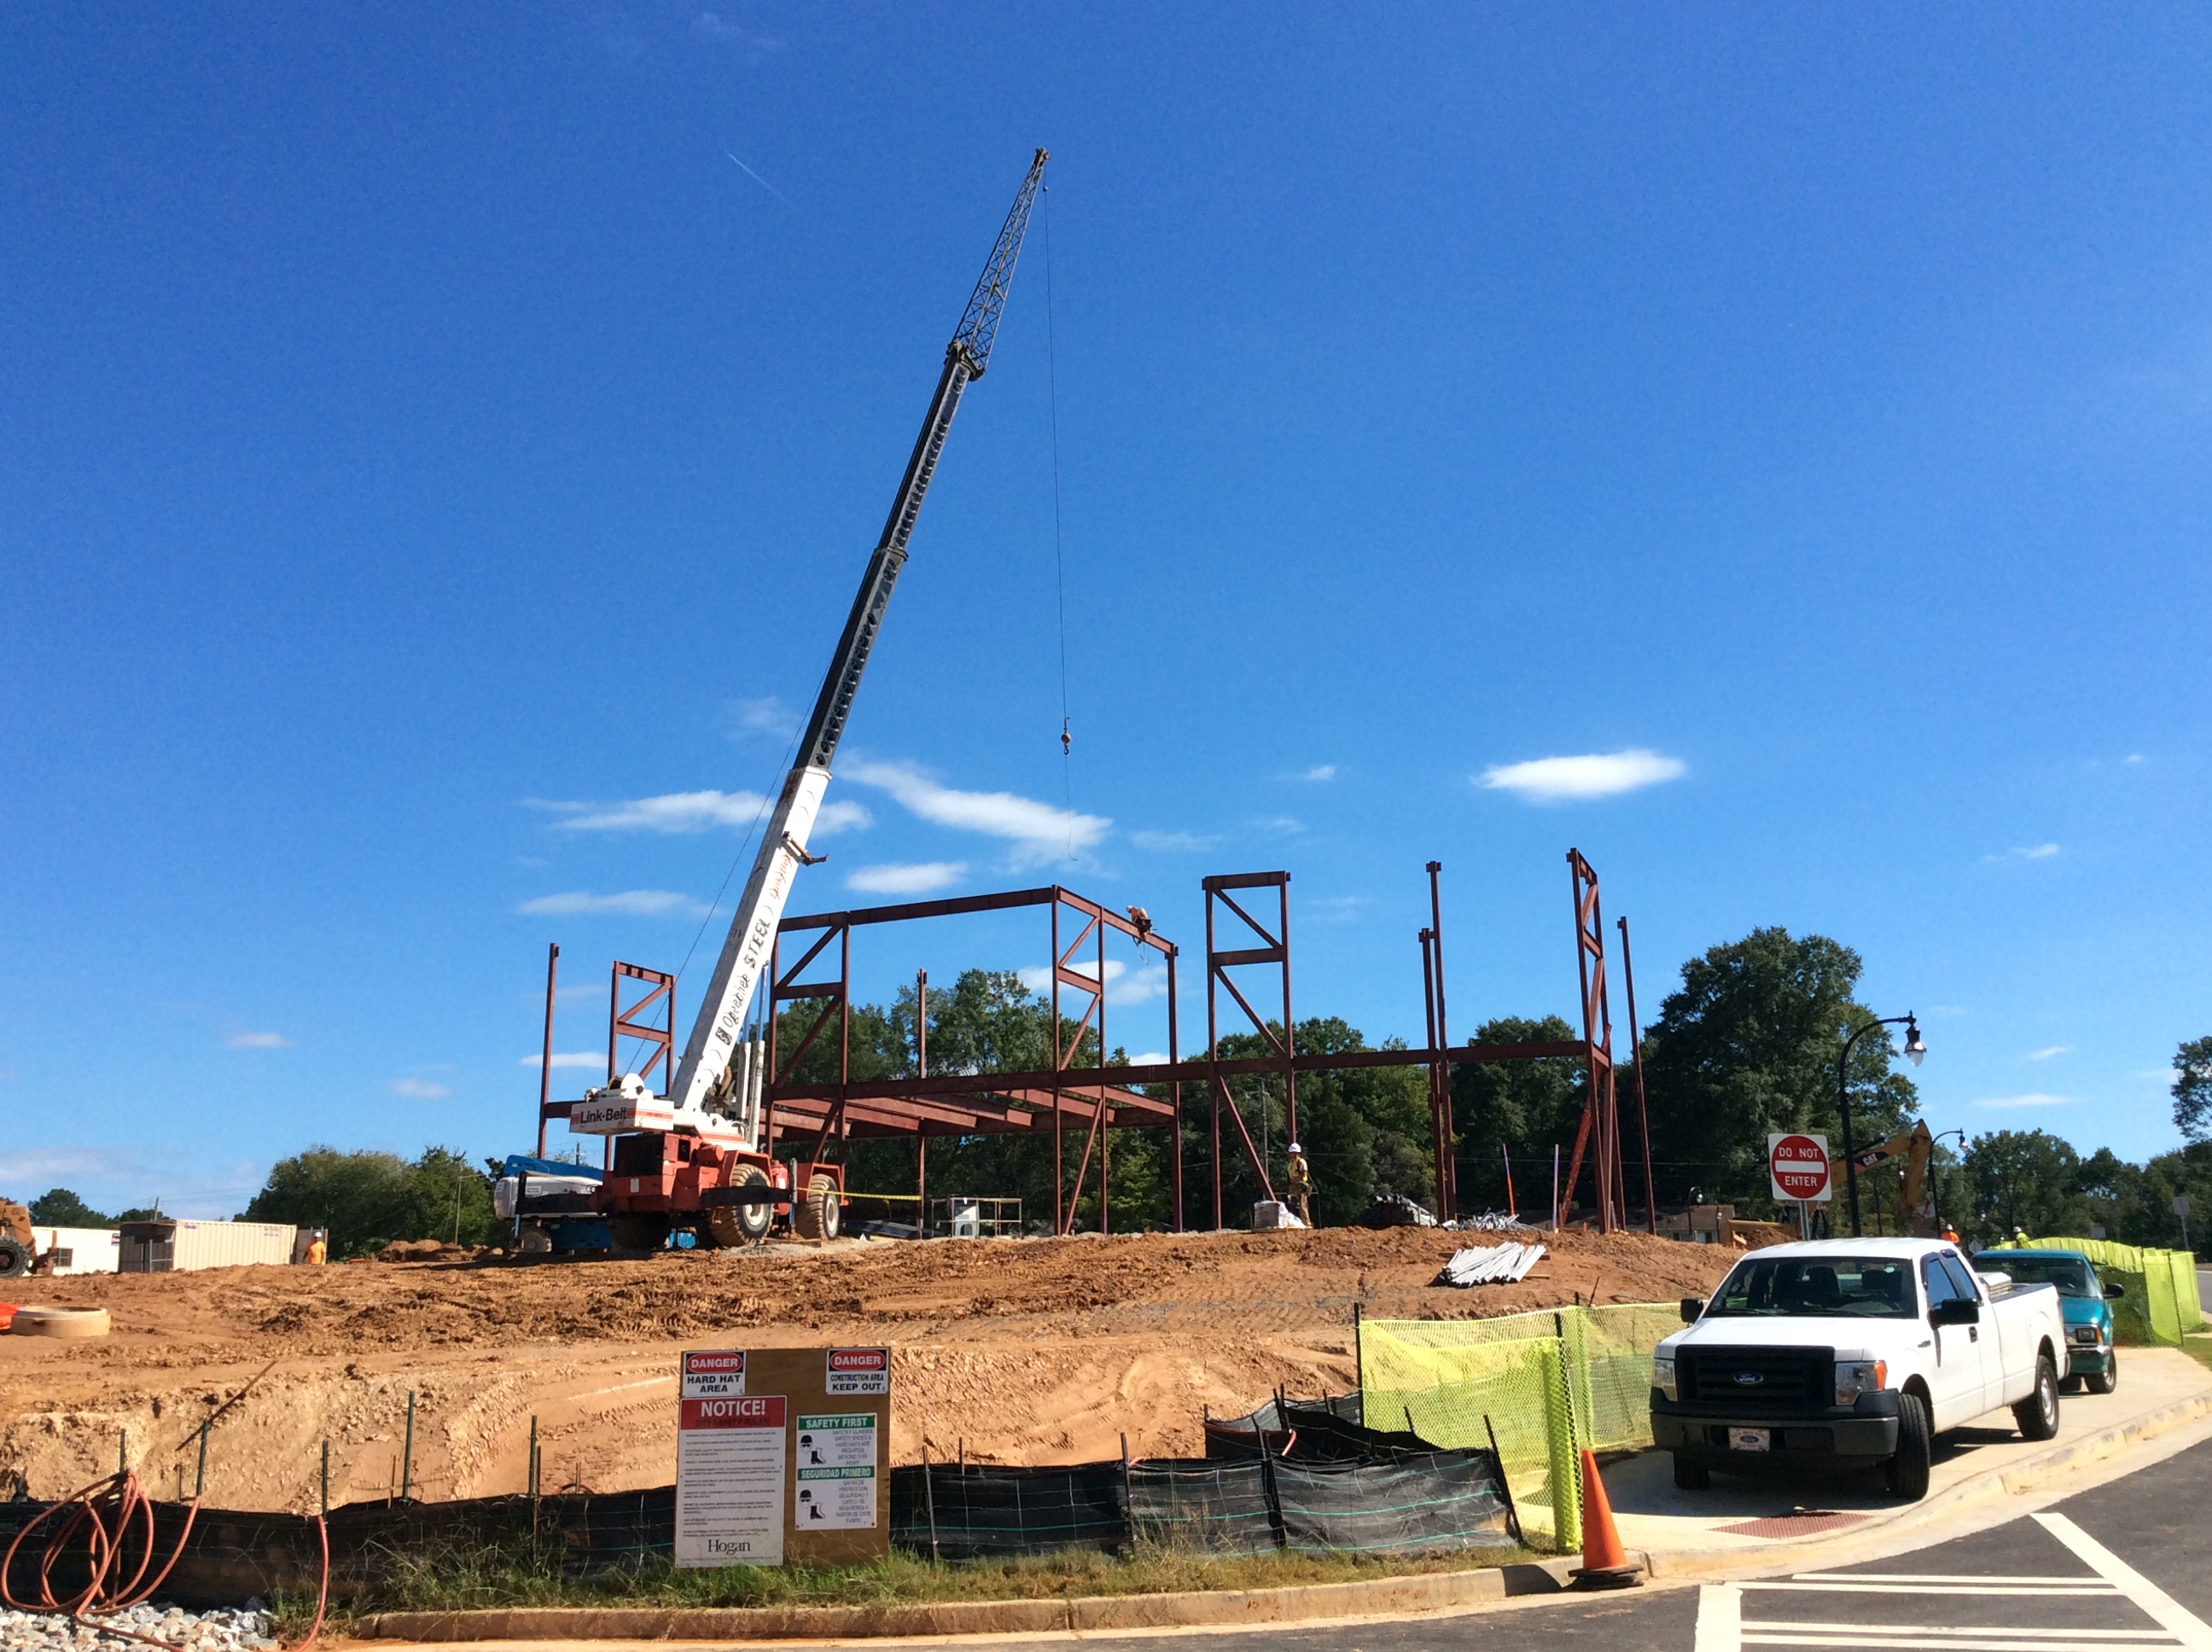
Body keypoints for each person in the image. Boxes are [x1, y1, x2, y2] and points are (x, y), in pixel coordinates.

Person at [1285, 1143, 1313, 1226]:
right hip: (1293, 1187)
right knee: (1292, 1205)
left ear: (1296, 1153)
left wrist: (1295, 1180)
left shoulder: (1301, 1162)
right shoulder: (1291, 1164)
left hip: (1300, 1186)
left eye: (1291, 1153)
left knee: (1302, 1206)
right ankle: (1296, 1223)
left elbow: (1304, 1175)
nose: (1289, 1154)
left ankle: (1306, 1224)